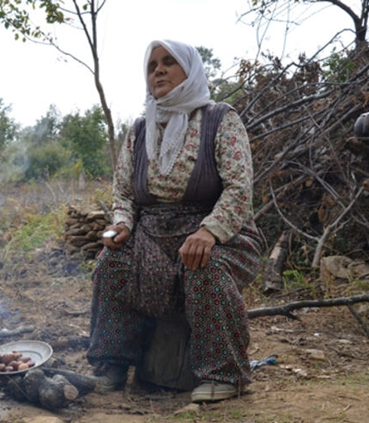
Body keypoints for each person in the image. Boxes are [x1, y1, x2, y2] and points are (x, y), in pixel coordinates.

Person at [86, 39, 263, 403]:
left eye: (169, 62)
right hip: (152, 237)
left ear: (190, 70)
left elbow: (239, 188)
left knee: (205, 265)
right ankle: (113, 363)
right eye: (152, 66)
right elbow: (123, 193)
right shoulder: (139, 129)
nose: (159, 71)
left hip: (221, 235)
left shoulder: (220, 119)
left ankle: (224, 373)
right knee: (111, 263)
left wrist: (208, 231)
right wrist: (121, 224)